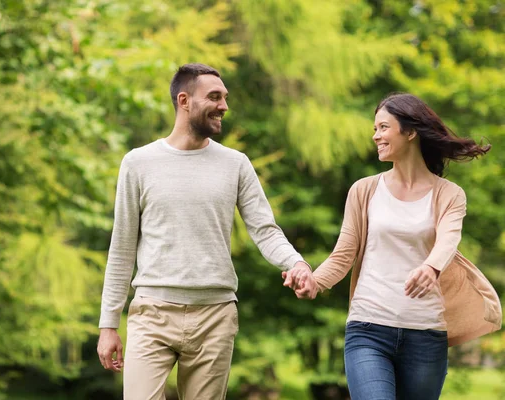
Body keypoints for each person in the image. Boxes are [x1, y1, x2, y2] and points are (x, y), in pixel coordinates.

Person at [97, 63, 317, 400]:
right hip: (152, 312)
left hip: (215, 316)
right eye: (214, 97)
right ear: (184, 100)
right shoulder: (138, 163)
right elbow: (122, 245)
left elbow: (265, 229)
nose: (224, 106)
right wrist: (108, 324)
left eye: (225, 98)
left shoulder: (236, 164)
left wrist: (296, 263)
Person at [293, 93, 502, 400]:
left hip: (426, 335)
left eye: (383, 127)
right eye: (375, 128)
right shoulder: (364, 190)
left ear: (410, 131)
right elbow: (345, 253)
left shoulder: (449, 194)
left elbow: (449, 237)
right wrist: (315, 280)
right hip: (368, 328)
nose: (375, 135)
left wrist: (432, 266)